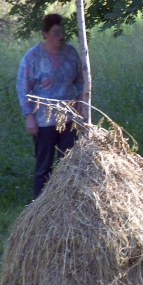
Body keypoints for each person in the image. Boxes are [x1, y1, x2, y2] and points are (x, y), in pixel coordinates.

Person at [16, 13, 85, 199]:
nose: (60, 36)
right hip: (43, 120)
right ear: (45, 33)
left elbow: (80, 80)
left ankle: (68, 203)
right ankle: (40, 208)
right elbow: (23, 88)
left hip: (69, 118)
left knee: (69, 163)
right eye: (56, 33)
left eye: (63, 32)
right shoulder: (32, 57)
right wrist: (29, 116)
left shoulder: (71, 53)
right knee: (43, 166)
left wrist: (81, 103)